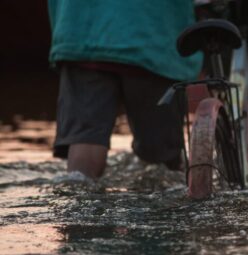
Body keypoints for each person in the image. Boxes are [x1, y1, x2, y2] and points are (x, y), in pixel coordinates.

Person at [48, 0, 202, 181]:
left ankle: (78, 192)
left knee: (86, 140)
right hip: (153, 38)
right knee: (161, 158)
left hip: (81, 32)